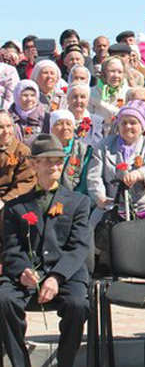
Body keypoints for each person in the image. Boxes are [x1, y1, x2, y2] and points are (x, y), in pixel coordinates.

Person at [0, 134, 92, 367]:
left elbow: (79, 246)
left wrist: (57, 277)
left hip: (65, 273)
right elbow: (11, 247)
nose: (55, 166)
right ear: (33, 164)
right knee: (4, 300)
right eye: (48, 161)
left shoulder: (77, 202)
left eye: (59, 161)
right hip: (28, 274)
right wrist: (22, 270)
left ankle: (66, 361)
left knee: (78, 305)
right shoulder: (15, 207)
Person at [87, 100, 145, 227]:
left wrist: (139, 173)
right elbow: (94, 176)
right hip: (112, 204)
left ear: (142, 126)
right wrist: (100, 197)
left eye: (133, 123)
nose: (128, 126)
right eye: (124, 123)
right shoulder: (105, 145)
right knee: (97, 223)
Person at [0, 111, 35, 218]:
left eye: (9, 126)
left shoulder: (22, 151)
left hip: (8, 202)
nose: (6, 131)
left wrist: (4, 201)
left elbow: (25, 183)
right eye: (1, 127)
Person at [50, 110, 92, 194]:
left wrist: (72, 201)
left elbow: (85, 183)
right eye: (59, 124)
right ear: (52, 128)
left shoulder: (85, 150)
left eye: (68, 123)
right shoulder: (45, 148)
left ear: (74, 127)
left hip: (76, 200)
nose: (65, 127)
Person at [89, 56, 130, 129]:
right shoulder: (91, 93)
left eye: (120, 72)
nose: (116, 75)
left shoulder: (129, 93)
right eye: (112, 71)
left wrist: (102, 104)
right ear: (104, 73)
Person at [8, 80, 50, 147]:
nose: (29, 99)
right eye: (25, 95)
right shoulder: (8, 117)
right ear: (17, 96)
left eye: (32, 95)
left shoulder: (45, 116)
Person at [66, 83, 104, 148]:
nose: (79, 101)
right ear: (68, 99)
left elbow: (97, 147)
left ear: (88, 100)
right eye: (75, 97)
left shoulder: (97, 122)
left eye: (83, 97)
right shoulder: (60, 120)